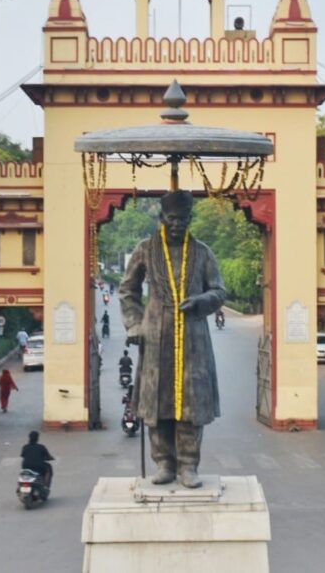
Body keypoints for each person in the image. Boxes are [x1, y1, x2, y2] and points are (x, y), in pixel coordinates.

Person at [119, 190, 227, 489]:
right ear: (162, 218)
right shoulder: (145, 249)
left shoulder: (202, 252)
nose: (177, 224)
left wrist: (201, 301)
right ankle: (164, 462)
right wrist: (135, 324)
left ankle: (188, 464)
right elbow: (127, 289)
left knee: (191, 403)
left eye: (183, 219)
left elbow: (219, 291)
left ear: (190, 219)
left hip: (193, 336)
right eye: (172, 218)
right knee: (157, 401)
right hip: (155, 335)